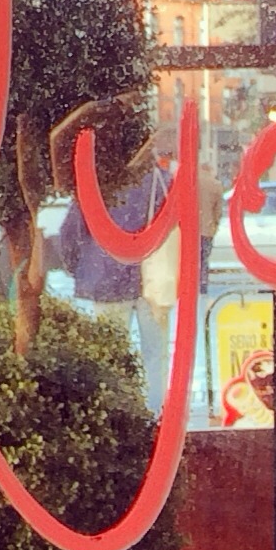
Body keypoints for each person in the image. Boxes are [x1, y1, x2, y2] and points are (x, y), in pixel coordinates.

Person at [51, 94, 171, 401]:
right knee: (155, 353)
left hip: (106, 277)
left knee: (112, 354)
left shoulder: (98, 182)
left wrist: (78, 266)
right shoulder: (161, 181)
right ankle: (157, 412)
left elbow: (71, 232)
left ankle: (121, 409)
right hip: (152, 280)